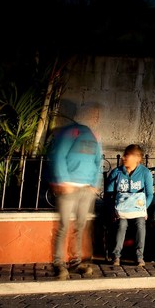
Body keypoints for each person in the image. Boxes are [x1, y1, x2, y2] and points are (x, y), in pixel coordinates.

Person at [48, 103, 104, 280]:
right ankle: (58, 263)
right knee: (64, 226)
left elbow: (98, 161)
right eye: (93, 114)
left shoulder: (94, 135)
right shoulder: (70, 132)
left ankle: (75, 262)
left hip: (86, 189)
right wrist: (63, 180)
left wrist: (95, 183)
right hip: (69, 187)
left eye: (97, 115)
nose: (96, 118)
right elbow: (59, 155)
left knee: (79, 226)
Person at [105, 144, 154, 267]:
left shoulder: (145, 173)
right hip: (121, 210)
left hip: (138, 209)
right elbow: (109, 193)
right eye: (124, 154)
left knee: (140, 223)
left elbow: (149, 194)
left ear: (137, 158)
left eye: (128, 155)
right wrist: (113, 210)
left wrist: (144, 209)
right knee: (121, 224)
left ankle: (139, 256)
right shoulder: (117, 172)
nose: (124, 157)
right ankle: (116, 256)